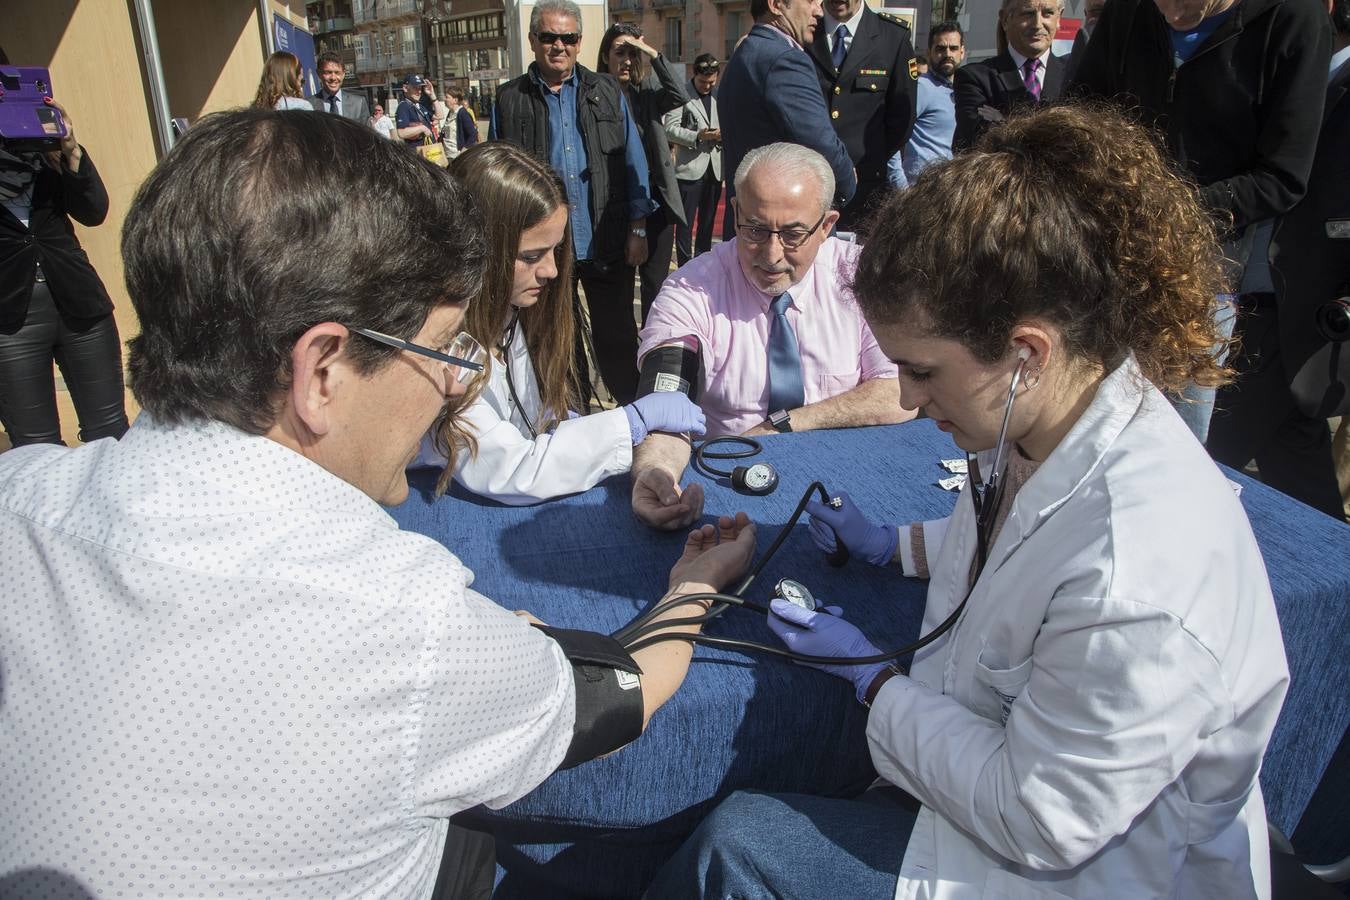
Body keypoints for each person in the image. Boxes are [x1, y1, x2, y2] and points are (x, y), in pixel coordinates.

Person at [0, 108, 756, 898]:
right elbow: (614, 696)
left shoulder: (19, 496)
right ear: (322, 370)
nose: (453, 383)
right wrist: (695, 585)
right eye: (442, 348)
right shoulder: (400, 616)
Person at [649, 104, 1289, 900]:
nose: (908, 401)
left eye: (922, 371)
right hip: (991, 789)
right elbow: (1018, 537)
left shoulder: (1140, 577)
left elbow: (1039, 821)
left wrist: (876, 682)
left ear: (1025, 352)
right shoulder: (1042, 416)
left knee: (733, 847)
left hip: (1076, 871)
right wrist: (893, 544)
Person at [1069, 0, 1331, 443]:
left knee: (1173, 434)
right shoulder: (1129, 11)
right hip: (1108, 253)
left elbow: (1282, 177)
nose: (1171, 14)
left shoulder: (1292, 19)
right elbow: (1081, 116)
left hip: (1203, 270)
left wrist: (1165, 214)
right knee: (1084, 417)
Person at [631, 143, 907, 531]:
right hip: (730, 484)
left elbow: (898, 393)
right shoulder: (691, 291)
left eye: (794, 234)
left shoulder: (860, 277)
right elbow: (665, 406)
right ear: (737, 213)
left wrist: (784, 424)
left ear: (827, 226)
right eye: (755, 230)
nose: (772, 254)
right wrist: (655, 472)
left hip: (849, 478)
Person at [417, 142, 705, 504]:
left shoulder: (507, 316)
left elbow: (533, 419)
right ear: (475, 249)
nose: (552, 271)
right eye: (531, 256)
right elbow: (509, 469)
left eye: (555, 250)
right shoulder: (438, 346)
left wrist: (576, 427)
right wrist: (628, 422)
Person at [1205, 0, 1350, 520]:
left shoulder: (1338, 82)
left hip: (1296, 309)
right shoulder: (1293, 76)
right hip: (1254, 298)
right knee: (1298, 468)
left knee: (1195, 461)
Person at [490, 0, 657, 407]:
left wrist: (638, 228)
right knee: (556, 344)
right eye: (549, 37)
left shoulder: (606, 91)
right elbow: (496, 177)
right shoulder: (508, 99)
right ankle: (575, 417)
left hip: (606, 239)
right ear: (533, 41)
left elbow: (635, 163)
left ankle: (633, 419)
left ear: (580, 42)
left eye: (568, 38)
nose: (558, 46)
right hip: (546, 252)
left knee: (616, 338)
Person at [0, 96, 129, 448]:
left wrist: (70, 150)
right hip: (10, 322)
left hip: (79, 304)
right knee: (34, 448)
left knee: (110, 432)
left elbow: (94, 210)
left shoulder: (44, 154)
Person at [718, 0, 858, 219]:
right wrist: (847, 181)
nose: (819, 12)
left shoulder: (746, 53)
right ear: (775, 5)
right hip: (787, 231)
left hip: (751, 223)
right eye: (811, 1)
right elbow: (821, 144)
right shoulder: (784, 60)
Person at [597, 22, 689, 322]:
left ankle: (651, 345)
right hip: (615, 204)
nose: (626, 60)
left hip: (656, 203)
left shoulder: (646, 93)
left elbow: (679, 94)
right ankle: (624, 351)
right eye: (620, 52)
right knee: (620, 286)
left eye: (632, 54)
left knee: (655, 283)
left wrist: (650, 52)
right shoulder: (594, 97)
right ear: (605, 57)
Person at [806, 0, 918, 230]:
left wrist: (870, 159)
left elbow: (902, 118)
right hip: (807, 182)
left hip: (865, 186)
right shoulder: (804, 30)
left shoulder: (892, 36)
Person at [952, 0, 1068, 150]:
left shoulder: (1072, 74)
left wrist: (1003, 122)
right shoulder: (975, 78)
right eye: (1028, 13)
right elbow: (977, 142)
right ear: (1005, 19)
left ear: (1059, 18)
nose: (1038, 24)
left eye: (1047, 13)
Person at [889, 20, 965, 188]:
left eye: (953, 48)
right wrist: (902, 188)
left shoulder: (963, 90)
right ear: (929, 52)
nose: (947, 54)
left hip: (950, 193)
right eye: (940, 48)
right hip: (920, 193)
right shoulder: (921, 88)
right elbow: (892, 139)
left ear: (962, 52)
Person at [664, 53, 723, 267]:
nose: (707, 86)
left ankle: (703, 265)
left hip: (715, 169)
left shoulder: (720, 96)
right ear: (693, 74)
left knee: (707, 223)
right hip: (689, 170)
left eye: (711, 82)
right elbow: (669, 129)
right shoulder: (681, 94)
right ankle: (685, 266)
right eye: (702, 82)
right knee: (685, 225)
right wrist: (698, 136)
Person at [310, 50, 370, 122]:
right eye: (328, 72)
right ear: (319, 73)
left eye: (337, 73)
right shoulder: (309, 105)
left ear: (343, 74)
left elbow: (365, 132)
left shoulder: (359, 103)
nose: (333, 78)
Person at [394, 73, 435, 146]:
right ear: (405, 88)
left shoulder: (420, 106)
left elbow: (439, 116)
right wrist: (422, 128)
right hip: (417, 153)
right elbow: (401, 133)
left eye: (420, 88)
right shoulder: (403, 106)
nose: (419, 91)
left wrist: (432, 95)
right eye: (415, 88)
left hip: (429, 149)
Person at [446, 85, 479, 153]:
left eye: (447, 97)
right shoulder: (451, 112)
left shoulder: (462, 113)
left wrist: (464, 150)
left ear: (455, 100)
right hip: (448, 154)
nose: (445, 99)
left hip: (457, 155)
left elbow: (473, 134)